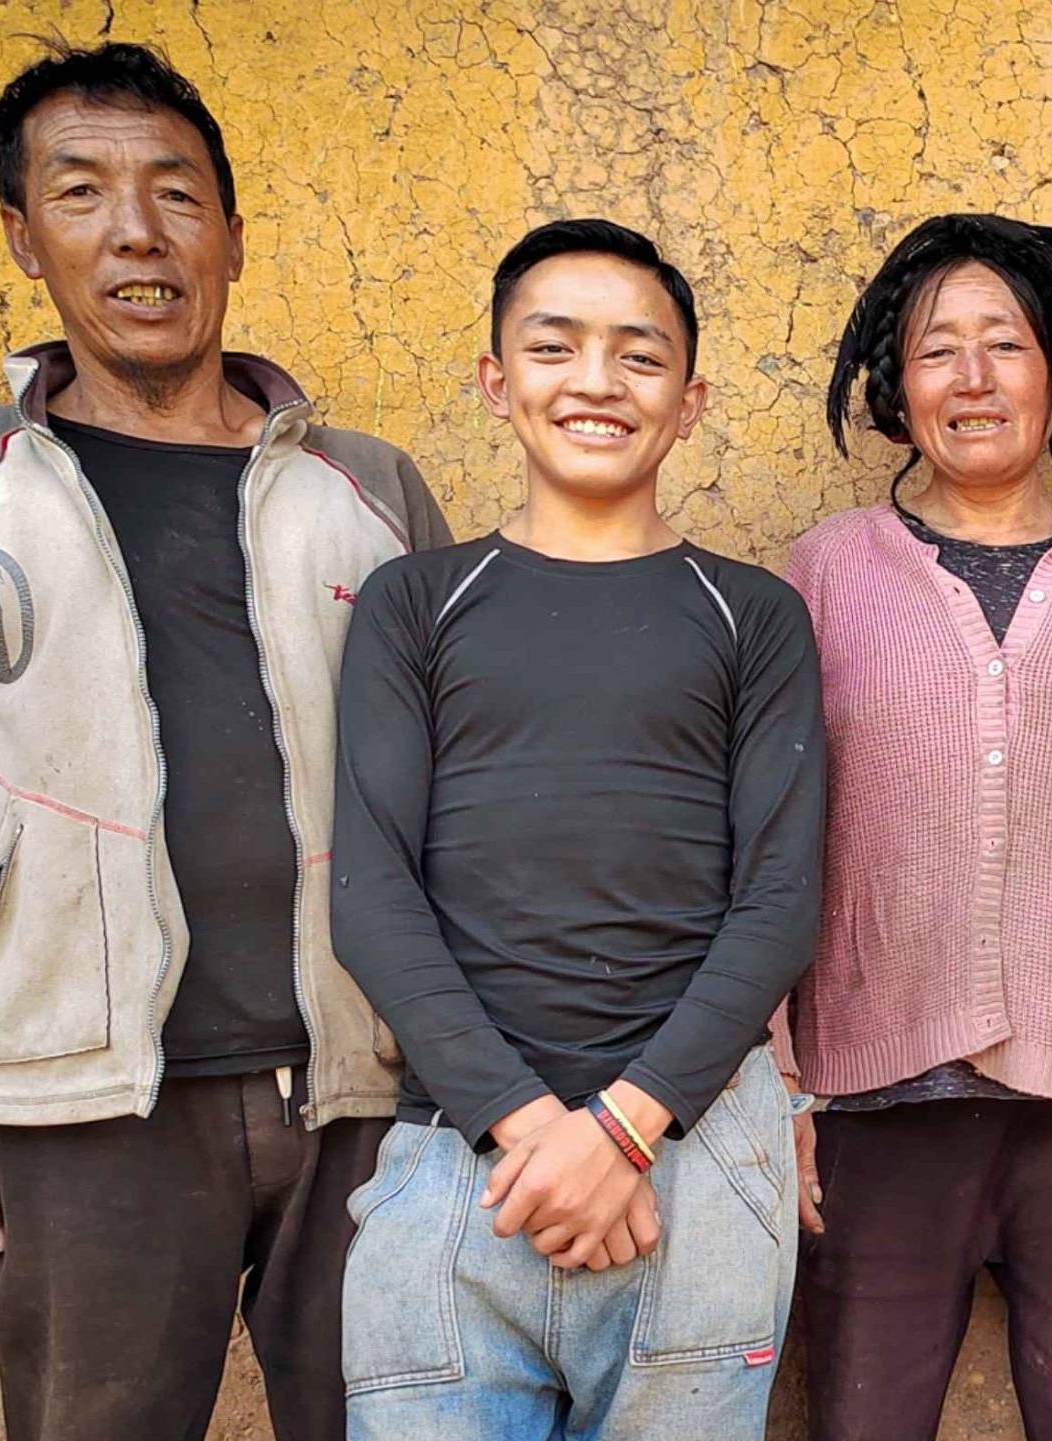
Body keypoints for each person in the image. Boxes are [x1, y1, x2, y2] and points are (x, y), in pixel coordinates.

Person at [0, 41, 449, 1441]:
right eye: (83, 193)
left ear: (232, 232)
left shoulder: (369, 488)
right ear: (21, 236)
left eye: (176, 193)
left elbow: (452, 787)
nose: (137, 234)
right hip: (84, 1108)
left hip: (368, 1086)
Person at [330, 218, 824, 1439]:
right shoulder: (417, 602)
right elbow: (370, 892)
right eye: (555, 347)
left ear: (691, 399)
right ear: (497, 381)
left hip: (697, 1156)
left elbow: (778, 902)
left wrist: (623, 1123)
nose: (596, 382)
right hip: (458, 1152)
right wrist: (532, 1126)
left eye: (638, 355)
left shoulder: (752, 616)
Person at [780, 212, 1052, 1440]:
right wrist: (776, 1079)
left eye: (1004, 345)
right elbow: (764, 838)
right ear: (893, 387)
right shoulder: (818, 575)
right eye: (934, 351)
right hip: (871, 1113)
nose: (971, 381)